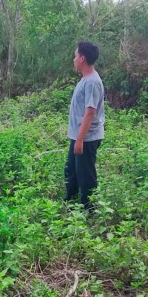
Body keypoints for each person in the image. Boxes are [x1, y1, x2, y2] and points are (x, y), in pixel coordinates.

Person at [65, 41, 104, 211]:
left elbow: (90, 112)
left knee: (86, 174)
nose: (73, 59)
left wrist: (80, 139)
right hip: (78, 135)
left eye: (75, 56)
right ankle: (70, 201)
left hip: (87, 138)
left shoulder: (92, 82)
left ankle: (89, 209)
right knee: (71, 170)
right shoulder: (85, 79)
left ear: (82, 58)